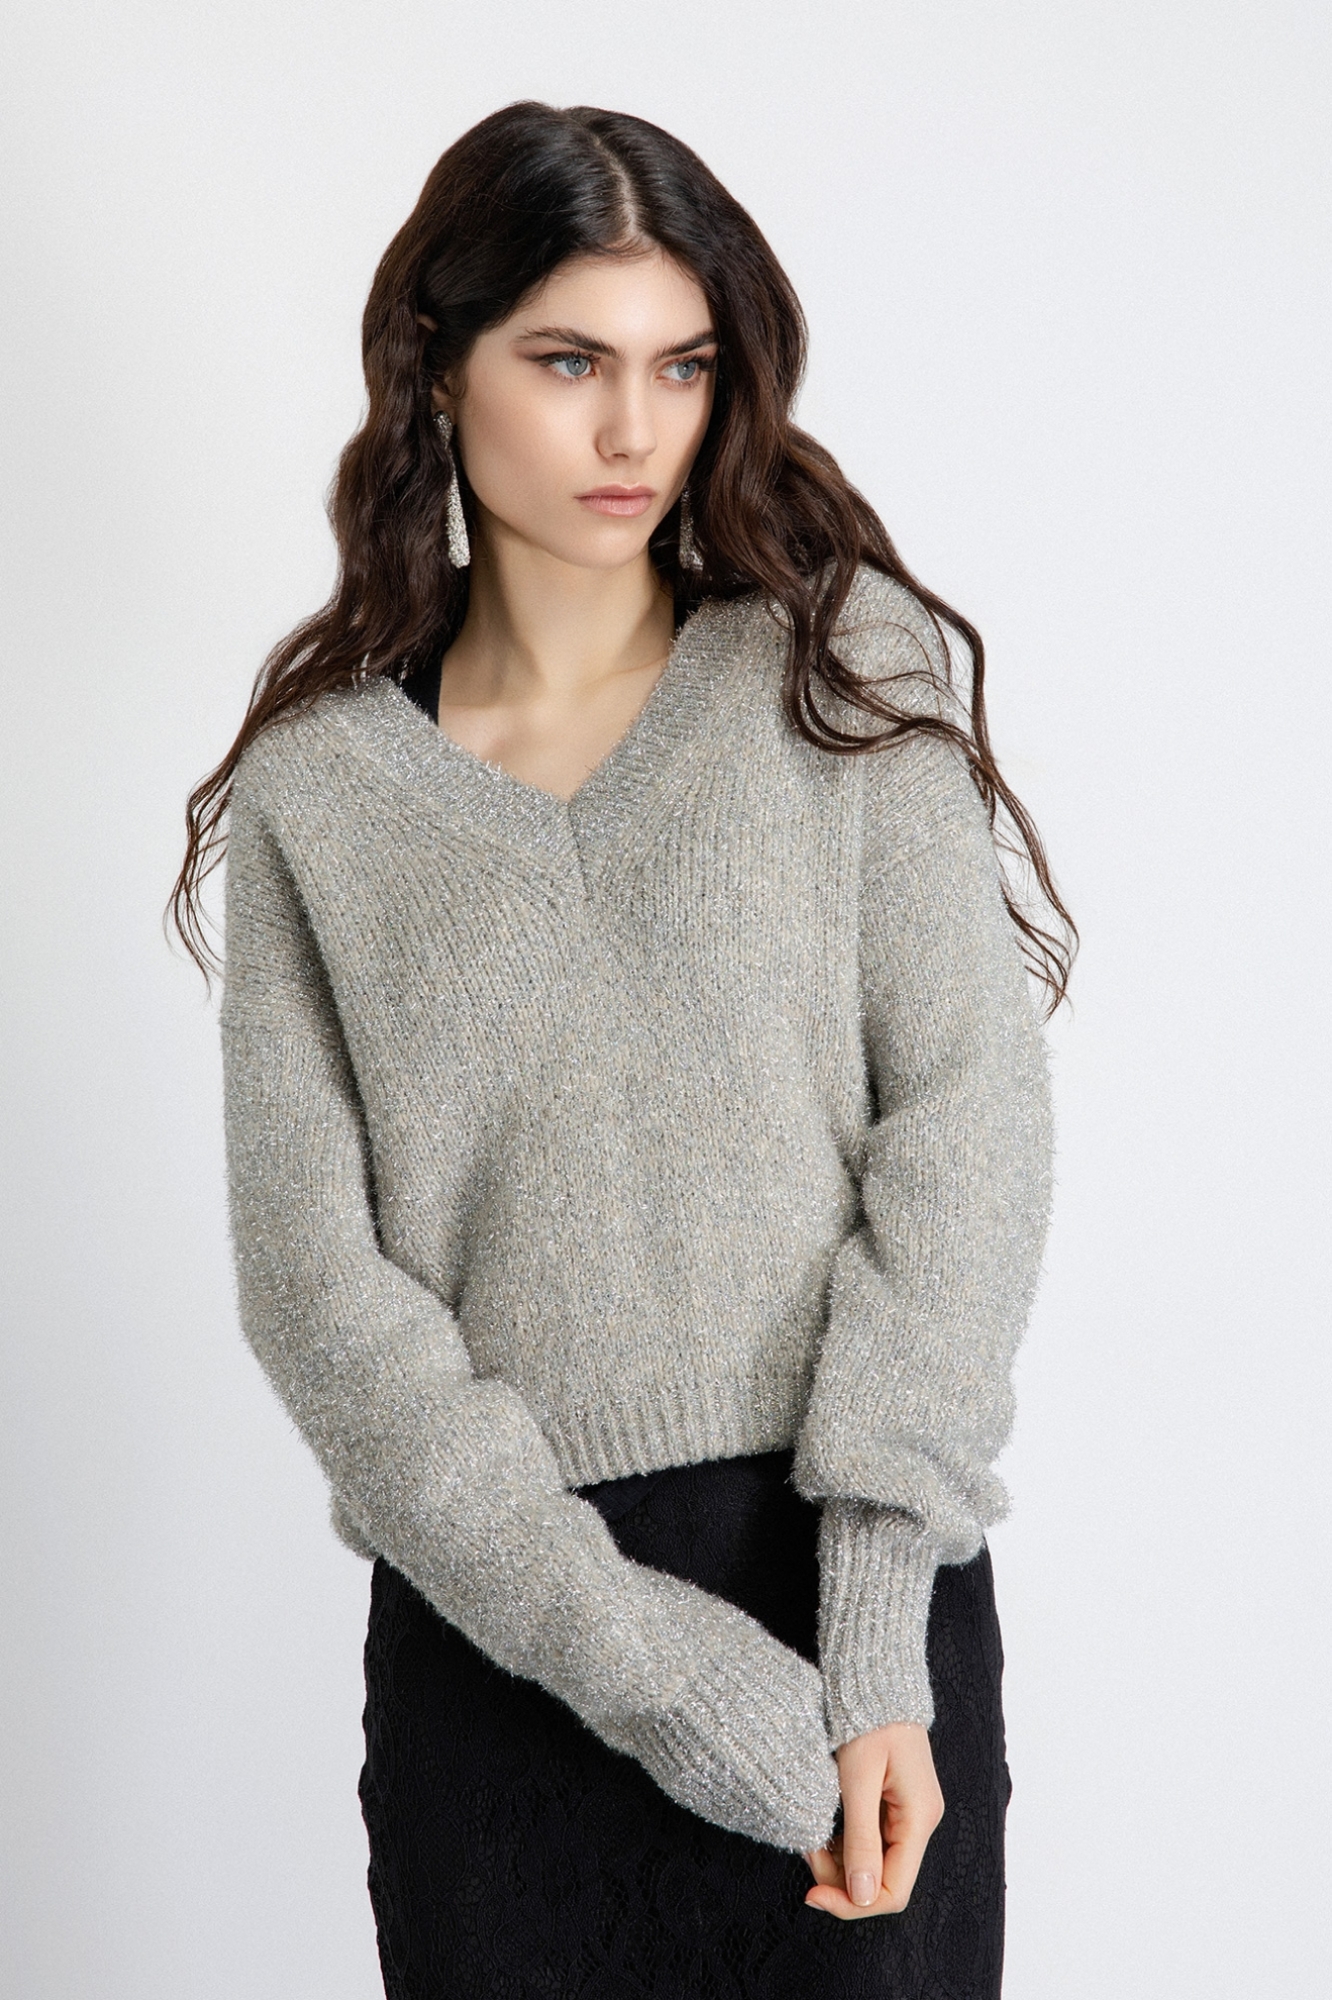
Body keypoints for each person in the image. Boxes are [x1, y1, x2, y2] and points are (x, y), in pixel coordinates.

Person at [171, 100, 1073, 1999]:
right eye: (569, 360)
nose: (632, 430)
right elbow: (317, 1291)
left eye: (683, 365)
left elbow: (966, 1127)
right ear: (437, 364)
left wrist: (873, 1636)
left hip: (855, 1640)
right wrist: (646, 1669)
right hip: (505, 1655)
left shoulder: (838, 674)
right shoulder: (322, 795)